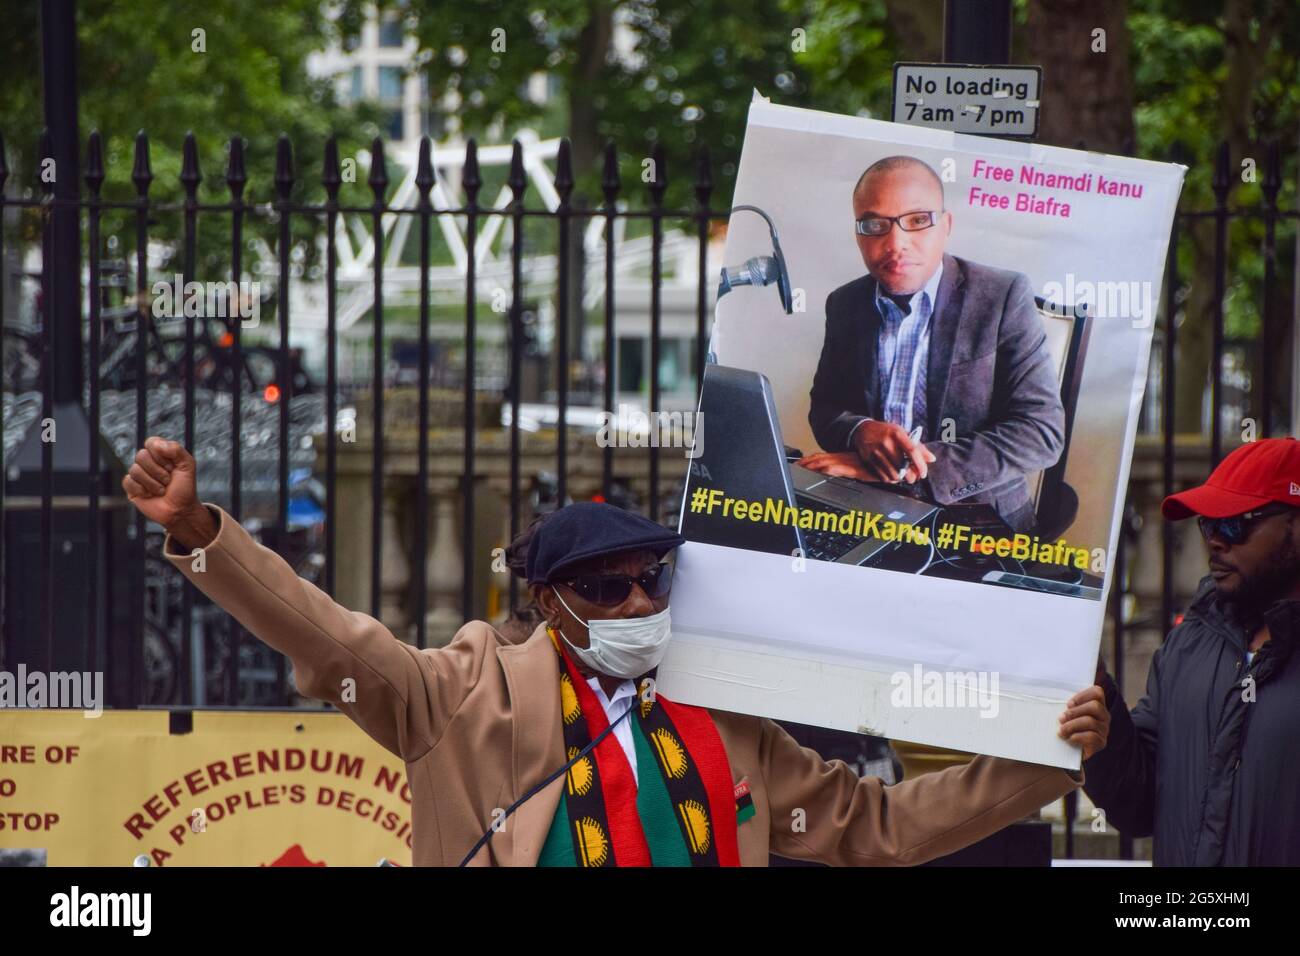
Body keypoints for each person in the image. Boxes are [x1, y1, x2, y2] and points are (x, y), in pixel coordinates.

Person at [123, 436, 1108, 866]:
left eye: (652, 579)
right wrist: (207, 530)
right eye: (605, 587)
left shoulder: (723, 710)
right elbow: (328, 632)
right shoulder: (460, 694)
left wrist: (1045, 755)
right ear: (548, 604)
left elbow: (882, 827)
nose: (637, 599)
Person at [800, 155, 1065, 532]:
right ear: (858, 234)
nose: (896, 243)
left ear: (946, 226)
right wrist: (859, 431)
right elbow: (825, 408)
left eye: (918, 220)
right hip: (870, 511)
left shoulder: (1002, 295)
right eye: (875, 225)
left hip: (980, 521)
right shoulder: (845, 304)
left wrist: (904, 468)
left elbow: (1040, 432)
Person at [1083, 437, 1300, 865]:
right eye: (1209, 524)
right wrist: (1102, 724)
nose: (1216, 540)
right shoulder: (1190, 641)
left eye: (1236, 523)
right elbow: (1139, 806)